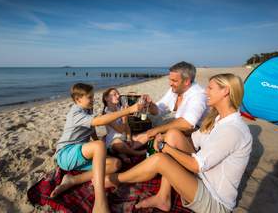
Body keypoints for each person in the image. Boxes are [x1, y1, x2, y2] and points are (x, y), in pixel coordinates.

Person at [105, 73, 253, 213]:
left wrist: (165, 148)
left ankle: (115, 179)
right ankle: (164, 197)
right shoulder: (218, 119)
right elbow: (193, 140)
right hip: (203, 178)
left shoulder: (233, 130)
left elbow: (197, 165)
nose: (206, 91)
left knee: (160, 160)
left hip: (215, 201)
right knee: (173, 134)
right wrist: (162, 136)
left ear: (225, 91)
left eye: (210, 88)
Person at [50, 83, 144, 213]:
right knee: (100, 146)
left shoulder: (88, 109)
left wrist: (96, 141)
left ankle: (73, 180)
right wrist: (128, 110)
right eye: (90, 97)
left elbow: (91, 129)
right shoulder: (76, 112)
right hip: (66, 154)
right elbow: (98, 121)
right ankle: (100, 203)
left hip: (79, 154)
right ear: (78, 100)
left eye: (93, 96)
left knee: (115, 164)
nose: (93, 99)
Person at [137, 61, 207, 144]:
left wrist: (157, 130)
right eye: (170, 79)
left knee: (149, 135)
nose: (170, 83)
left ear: (187, 82)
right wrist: (150, 104)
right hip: (181, 130)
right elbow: (158, 110)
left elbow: (188, 124)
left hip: (196, 136)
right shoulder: (176, 90)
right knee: (141, 136)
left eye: (174, 80)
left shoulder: (198, 95)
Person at [102, 88, 146, 161]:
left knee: (147, 135)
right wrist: (124, 118)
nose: (118, 96)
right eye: (114, 94)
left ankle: (124, 153)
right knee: (118, 144)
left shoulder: (119, 108)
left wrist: (129, 138)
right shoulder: (106, 114)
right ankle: (137, 153)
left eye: (118, 94)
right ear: (106, 98)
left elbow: (127, 126)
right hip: (114, 141)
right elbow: (120, 130)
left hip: (124, 138)